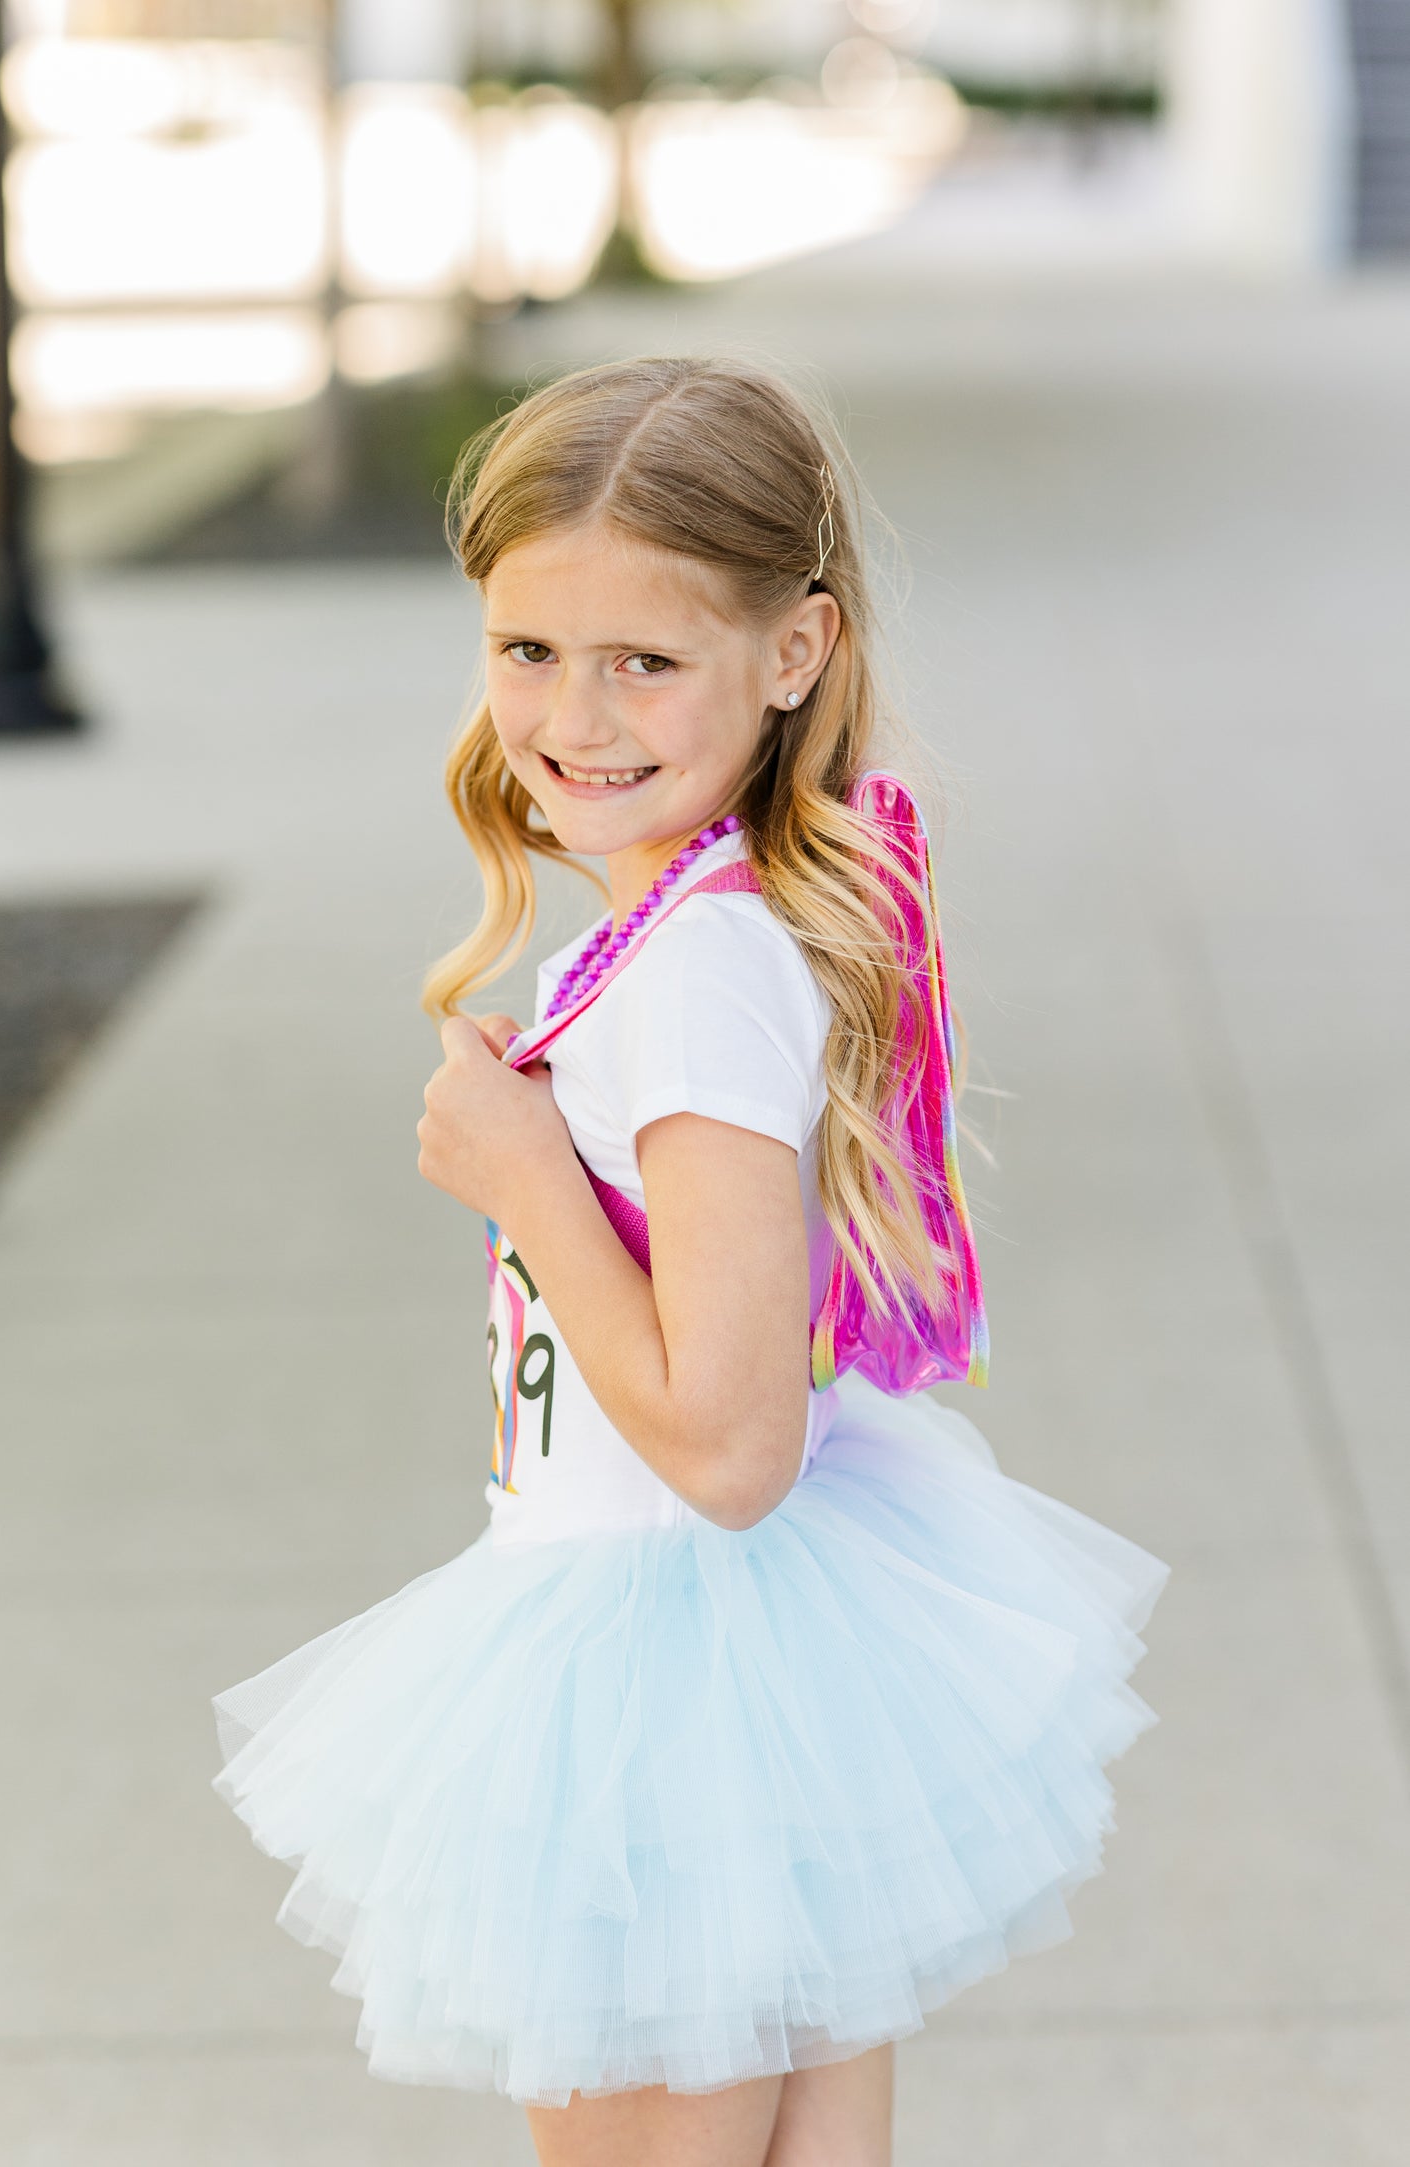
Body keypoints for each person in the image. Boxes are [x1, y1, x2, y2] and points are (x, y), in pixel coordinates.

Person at [210, 357, 1170, 2167]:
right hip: (732, 1667)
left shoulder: (708, 973)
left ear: (793, 650)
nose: (571, 716)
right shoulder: (695, 919)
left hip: (654, 1669)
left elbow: (731, 1452)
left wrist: (523, 1180)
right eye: (524, 651)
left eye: (642, 661)